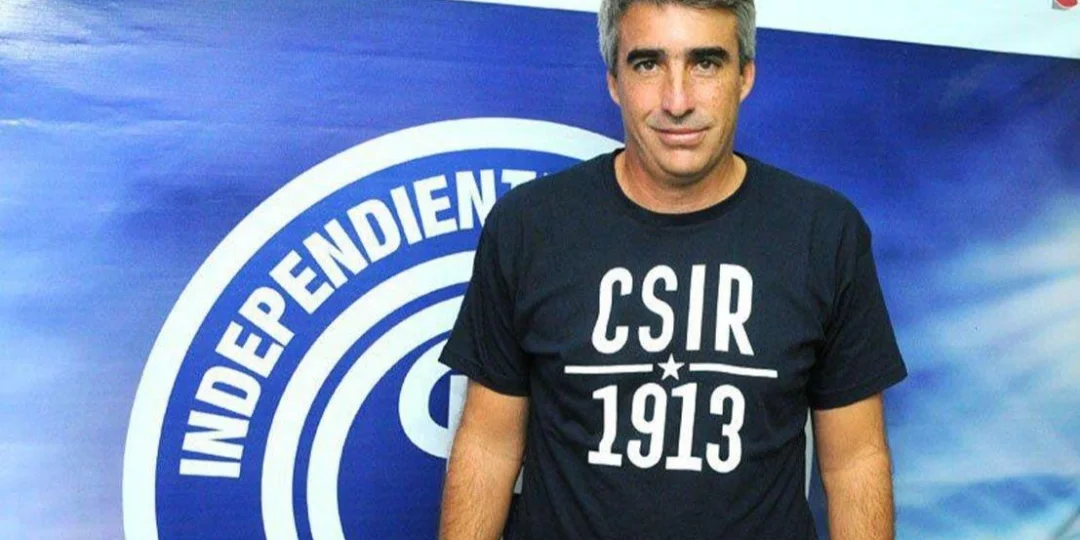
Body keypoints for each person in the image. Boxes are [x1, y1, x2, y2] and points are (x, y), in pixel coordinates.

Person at [438, 0, 907, 538]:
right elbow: (489, 445)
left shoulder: (823, 233)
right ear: (614, 80)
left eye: (705, 63)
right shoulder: (529, 226)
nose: (677, 100)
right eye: (647, 64)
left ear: (744, 76)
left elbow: (854, 462)